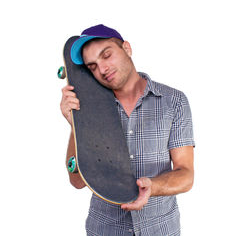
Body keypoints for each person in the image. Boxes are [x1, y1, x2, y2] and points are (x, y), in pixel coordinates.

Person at [60, 24, 195, 236]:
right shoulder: (88, 108)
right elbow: (77, 181)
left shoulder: (174, 101)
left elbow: (186, 175)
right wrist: (75, 123)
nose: (102, 69)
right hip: (105, 230)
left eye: (107, 55)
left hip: (160, 229)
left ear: (127, 48)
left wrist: (152, 187)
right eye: (92, 66)